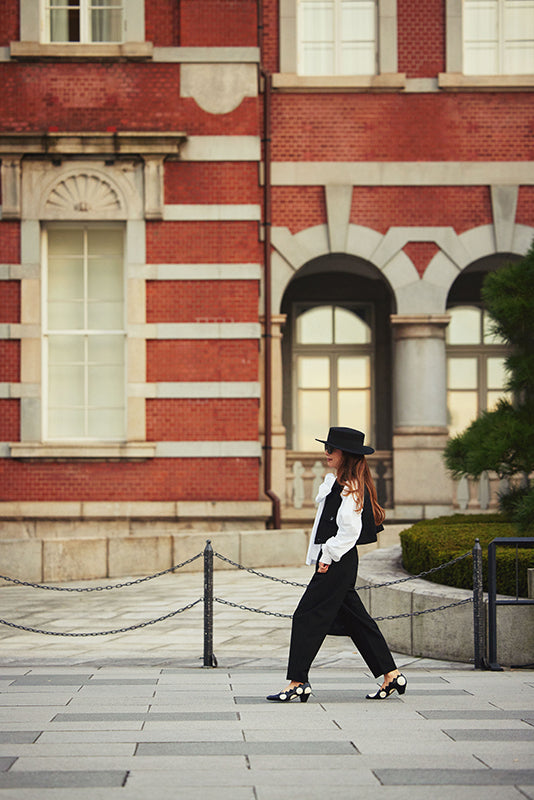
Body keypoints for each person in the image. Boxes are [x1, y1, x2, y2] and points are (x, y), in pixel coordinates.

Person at [267, 426, 406, 703]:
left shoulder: (352, 488)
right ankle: (391, 675)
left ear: (346, 454)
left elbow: (349, 532)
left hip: (338, 561)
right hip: (337, 560)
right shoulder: (338, 483)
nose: (326, 453)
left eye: (331, 449)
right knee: (357, 621)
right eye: (326, 448)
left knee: (306, 616)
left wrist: (326, 557)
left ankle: (297, 682)